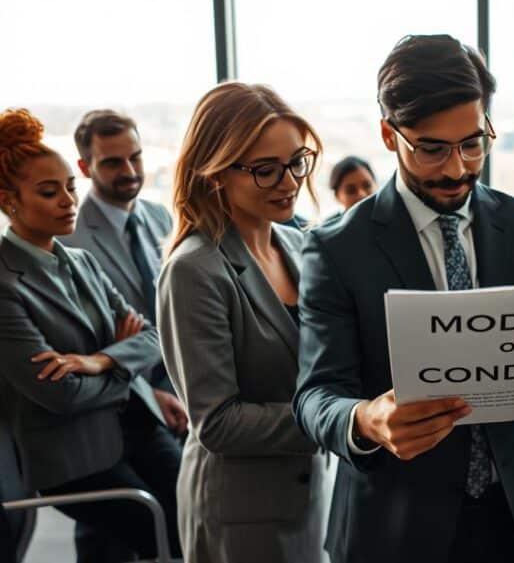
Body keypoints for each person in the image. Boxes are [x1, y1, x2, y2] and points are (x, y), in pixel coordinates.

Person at [294, 34, 514, 563]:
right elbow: (316, 394)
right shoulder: (336, 247)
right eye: (432, 148)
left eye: (473, 142)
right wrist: (366, 419)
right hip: (395, 523)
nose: (457, 168)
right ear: (390, 135)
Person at [0, 108, 182, 561]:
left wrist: (98, 360)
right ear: (8, 201)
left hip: (138, 425)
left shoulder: (80, 260)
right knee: (163, 531)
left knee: (198, 520)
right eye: (48, 192)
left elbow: (152, 337)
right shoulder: (5, 283)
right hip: (75, 456)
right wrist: (122, 362)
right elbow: (60, 394)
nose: (68, 202)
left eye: (69, 188)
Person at [157, 83, 325, 563]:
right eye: (265, 170)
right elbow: (219, 423)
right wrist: (338, 419)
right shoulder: (194, 268)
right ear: (213, 173)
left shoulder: (296, 247)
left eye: (297, 161)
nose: (290, 181)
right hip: (239, 511)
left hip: (305, 493)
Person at [62, 110, 177, 397]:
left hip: (188, 380)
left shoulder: (161, 216)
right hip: (131, 395)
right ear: (85, 168)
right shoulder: (69, 240)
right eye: (113, 163)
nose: (129, 171)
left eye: (135, 157)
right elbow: (84, 343)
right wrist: (148, 394)